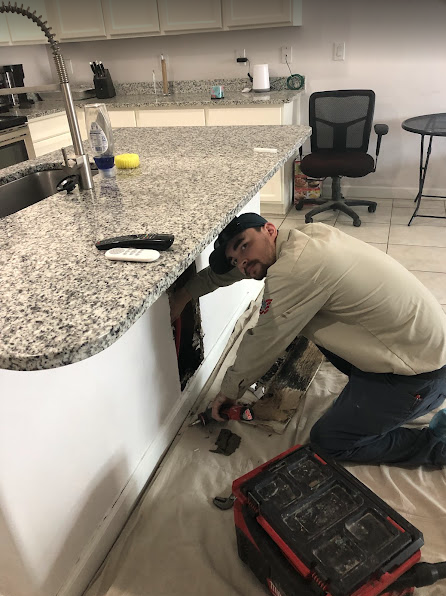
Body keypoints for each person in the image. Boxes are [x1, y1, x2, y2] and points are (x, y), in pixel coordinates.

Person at [170, 213, 446, 466]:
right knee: (314, 329)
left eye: (243, 246)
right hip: (422, 349)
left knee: (330, 443)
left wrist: (228, 391)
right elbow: (234, 271)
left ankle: (437, 447)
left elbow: (263, 340)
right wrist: (184, 295)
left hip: (418, 376)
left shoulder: (295, 270)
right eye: (234, 260)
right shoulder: (308, 237)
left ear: (268, 229)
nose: (242, 263)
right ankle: (376, 400)